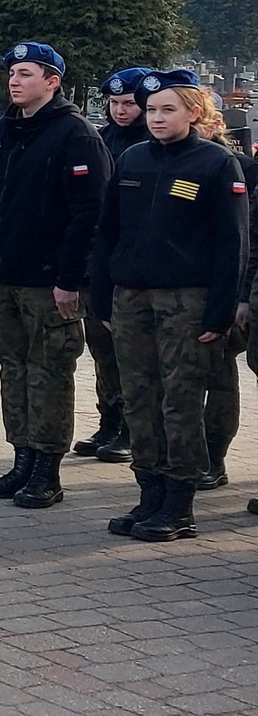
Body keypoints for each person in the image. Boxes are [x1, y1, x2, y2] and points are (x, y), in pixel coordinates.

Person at [89, 71, 247, 543]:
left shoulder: (216, 164)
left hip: (187, 301)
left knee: (179, 403)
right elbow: (109, 231)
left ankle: (179, 504)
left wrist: (219, 312)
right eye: (152, 110)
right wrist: (102, 294)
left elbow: (232, 245)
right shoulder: (133, 157)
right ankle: (149, 494)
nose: (156, 118)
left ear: (193, 113)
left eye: (168, 110)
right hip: (131, 297)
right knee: (139, 399)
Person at [0, 42, 109, 511]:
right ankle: (21, 458)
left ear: (52, 81)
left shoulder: (76, 135)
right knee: (14, 369)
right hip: (4, 279)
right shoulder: (3, 131)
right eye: (11, 72)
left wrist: (71, 278)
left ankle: (47, 468)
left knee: (49, 372)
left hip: (50, 284)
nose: (14, 80)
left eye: (26, 73)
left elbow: (89, 215)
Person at [76, 67, 154, 462]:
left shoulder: (149, 144)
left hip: (133, 262)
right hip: (98, 261)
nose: (122, 110)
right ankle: (109, 419)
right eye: (115, 103)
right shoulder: (101, 139)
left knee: (130, 353)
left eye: (130, 104)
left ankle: (130, 428)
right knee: (102, 348)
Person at [191, 97, 254, 490]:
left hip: (223, 288)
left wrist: (240, 296)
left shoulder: (241, 168)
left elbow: (244, 239)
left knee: (219, 377)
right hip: (177, 289)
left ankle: (214, 456)